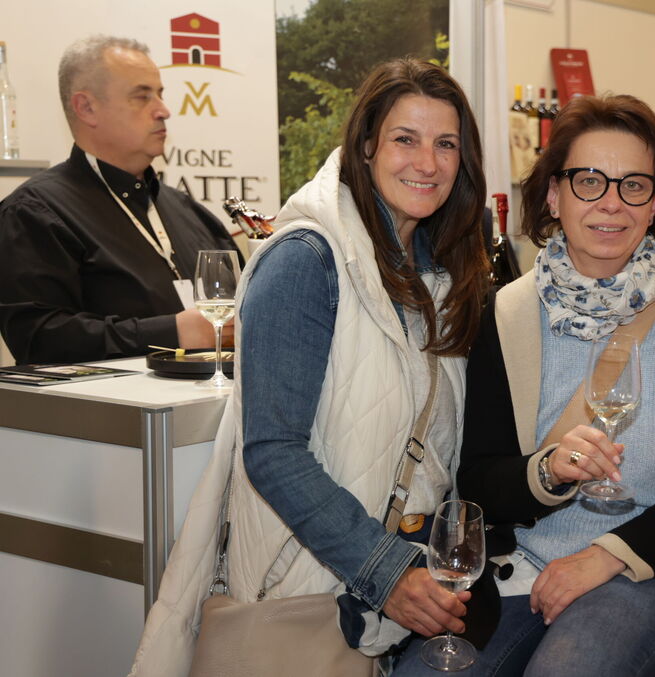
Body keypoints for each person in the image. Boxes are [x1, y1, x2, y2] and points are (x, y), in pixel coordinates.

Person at [129, 58, 490, 676]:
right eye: (406, 139)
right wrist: (386, 570)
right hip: (308, 589)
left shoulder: (438, 270)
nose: (427, 163)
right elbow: (273, 451)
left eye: (446, 144)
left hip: (397, 594)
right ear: (367, 146)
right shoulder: (306, 260)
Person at [394, 94, 655, 677]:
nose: (611, 203)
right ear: (553, 195)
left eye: (633, 185)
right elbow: (477, 478)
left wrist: (608, 554)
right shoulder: (504, 313)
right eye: (589, 181)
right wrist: (547, 472)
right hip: (519, 567)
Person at [0, 35, 239, 365]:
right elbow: (39, 338)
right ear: (87, 108)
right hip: (106, 401)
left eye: (160, 94)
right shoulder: (34, 212)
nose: (164, 110)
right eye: (142, 97)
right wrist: (172, 333)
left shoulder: (187, 209)